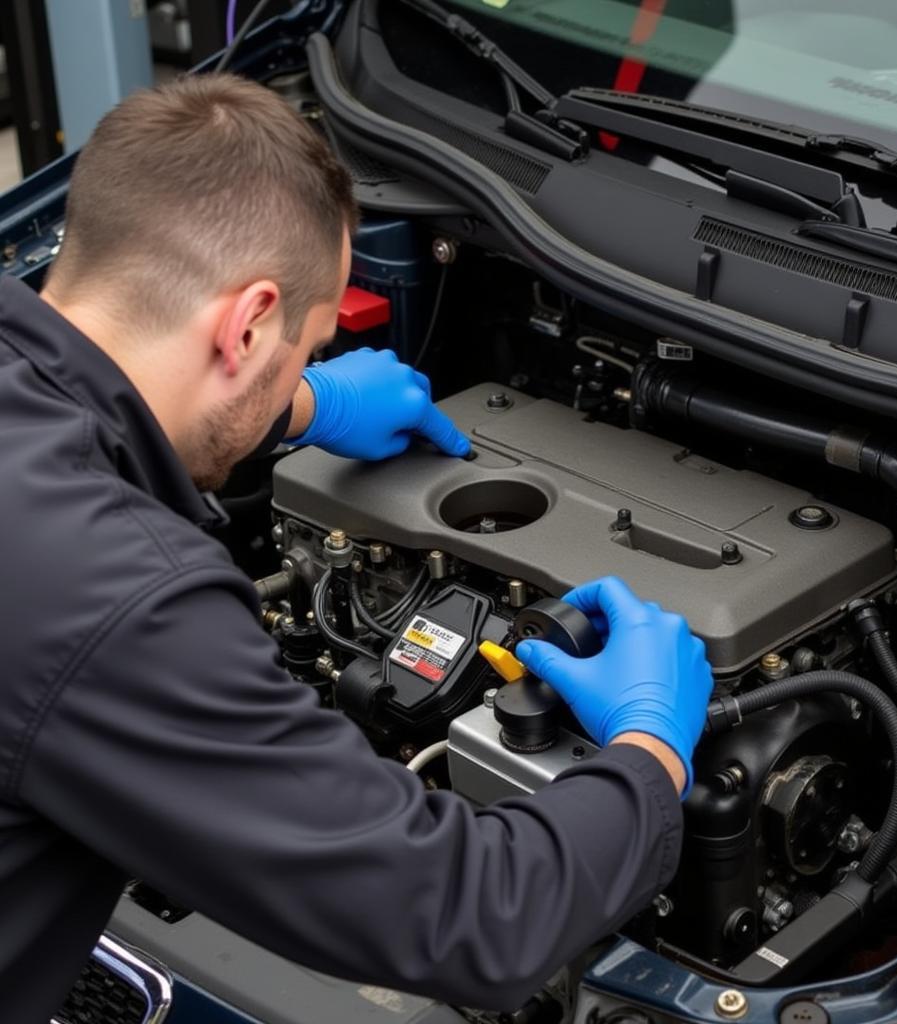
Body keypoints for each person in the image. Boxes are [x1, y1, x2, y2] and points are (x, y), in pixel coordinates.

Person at [0, 74, 713, 1021]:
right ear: (249, 322)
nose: (311, 365)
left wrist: (298, 406)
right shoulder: (114, 599)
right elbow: (472, 916)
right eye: (309, 348)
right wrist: (651, 753)